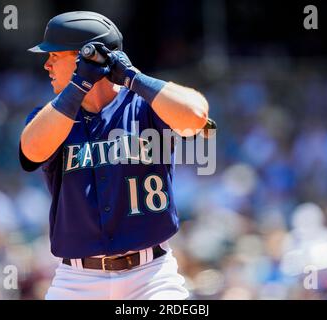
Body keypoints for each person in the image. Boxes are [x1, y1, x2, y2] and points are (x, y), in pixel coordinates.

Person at [19, 11, 209, 300]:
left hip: (152, 277)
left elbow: (196, 116)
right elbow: (30, 152)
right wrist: (79, 84)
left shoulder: (145, 106)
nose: (46, 64)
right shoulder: (53, 117)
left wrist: (133, 77)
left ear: (85, 55)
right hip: (77, 280)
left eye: (54, 55)